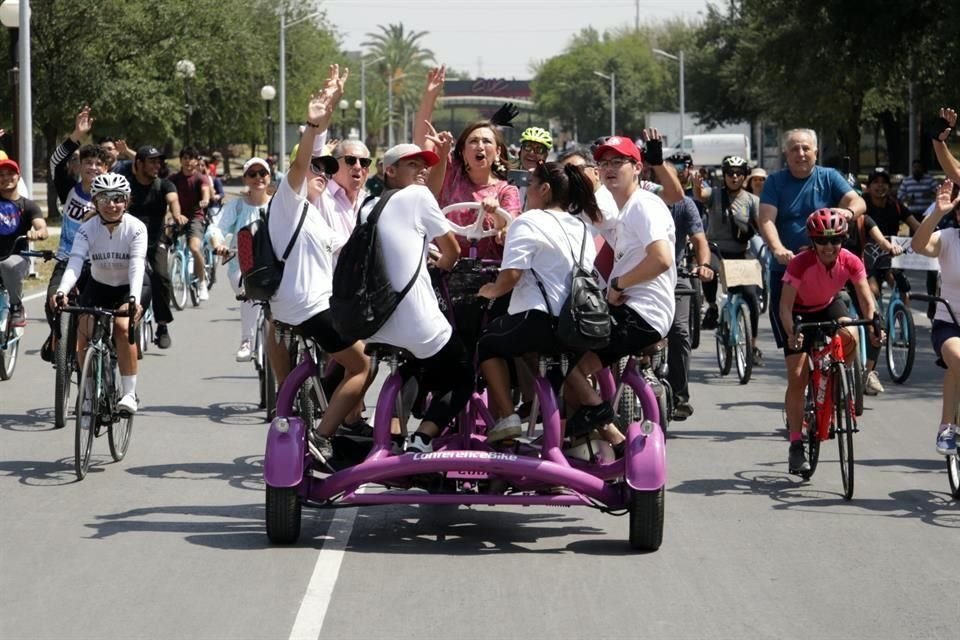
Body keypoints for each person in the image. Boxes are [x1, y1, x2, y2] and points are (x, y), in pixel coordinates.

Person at [269, 64, 372, 468]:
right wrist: (314, 124)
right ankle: (325, 436)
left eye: (327, 171)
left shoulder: (315, 216)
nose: (321, 175)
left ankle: (310, 408)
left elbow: (349, 247)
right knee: (363, 364)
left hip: (308, 307)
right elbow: (303, 161)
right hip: (308, 306)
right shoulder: (289, 202)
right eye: (317, 168)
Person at [564, 137, 676, 450]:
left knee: (566, 364)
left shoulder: (643, 205)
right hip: (635, 310)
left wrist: (617, 285)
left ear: (637, 167)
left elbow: (662, 258)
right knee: (572, 360)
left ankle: (604, 427)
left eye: (618, 162)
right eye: (604, 163)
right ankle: (587, 429)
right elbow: (597, 220)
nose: (610, 169)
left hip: (640, 313)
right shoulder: (625, 211)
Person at [476, 161, 601, 442]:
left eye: (529, 186)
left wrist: (490, 291)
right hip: (576, 325)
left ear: (544, 189)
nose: (525, 192)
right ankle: (563, 439)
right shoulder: (582, 227)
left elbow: (510, 275)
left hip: (539, 320)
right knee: (549, 364)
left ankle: (507, 416)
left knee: (487, 343)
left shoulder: (528, 221)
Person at [360, 142, 471, 453]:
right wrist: (443, 265)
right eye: (413, 165)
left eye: (425, 165)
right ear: (390, 171)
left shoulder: (368, 206)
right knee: (463, 373)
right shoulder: (419, 196)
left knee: (415, 366)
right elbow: (452, 251)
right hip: (416, 321)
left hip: (374, 322)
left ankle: (393, 434)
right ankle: (423, 437)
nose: (423, 170)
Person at [779, 209, 879, 474]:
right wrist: (793, 331)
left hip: (827, 304)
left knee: (851, 332)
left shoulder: (851, 260)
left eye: (835, 240)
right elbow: (785, 308)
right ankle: (796, 443)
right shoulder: (800, 262)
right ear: (813, 241)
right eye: (821, 241)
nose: (828, 246)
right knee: (798, 375)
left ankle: (837, 379)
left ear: (842, 240)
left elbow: (866, 298)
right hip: (798, 312)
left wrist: (873, 323)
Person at [757, 128, 866, 358]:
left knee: (848, 335)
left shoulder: (829, 176)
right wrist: (777, 249)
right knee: (798, 363)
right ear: (786, 154)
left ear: (815, 152)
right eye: (795, 148)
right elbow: (766, 219)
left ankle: (845, 382)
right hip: (787, 272)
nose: (801, 153)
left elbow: (858, 201)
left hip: (824, 272)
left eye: (806, 148)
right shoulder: (775, 182)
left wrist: (848, 212)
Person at [52, 173, 149, 415]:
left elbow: (137, 264)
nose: (112, 204)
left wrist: (133, 300)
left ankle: (128, 393)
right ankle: (87, 392)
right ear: (95, 202)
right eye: (105, 198)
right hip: (99, 285)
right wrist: (62, 290)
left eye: (118, 198)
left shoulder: (136, 228)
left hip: (130, 286)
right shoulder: (87, 229)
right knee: (83, 329)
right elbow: (75, 262)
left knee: (122, 328)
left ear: (126, 201)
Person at [414, 66, 522, 261]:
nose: (480, 146)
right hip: (443, 267)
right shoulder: (451, 173)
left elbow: (509, 231)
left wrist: (496, 213)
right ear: (462, 152)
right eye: (473, 141)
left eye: (486, 141)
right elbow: (423, 142)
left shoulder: (507, 191)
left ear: (497, 152)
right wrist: (430, 97)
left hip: (489, 275)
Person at [45, 107, 110, 354]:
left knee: (98, 312)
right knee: (53, 302)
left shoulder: (114, 198)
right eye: (88, 163)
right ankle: (60, 340)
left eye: (99, 164)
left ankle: (104, 350)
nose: (93, 167)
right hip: (67, 259)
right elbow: (55, 162)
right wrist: (76, 135)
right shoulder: (69, 190)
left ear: (106, 169)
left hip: (100, 263)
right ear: (79, 166)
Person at [209, 157, 277, 361]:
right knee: (249, 292)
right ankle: (247, 340)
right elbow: (216, 227)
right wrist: (218, 245)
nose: (258, 178)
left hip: (274, 263)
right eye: (253, 174)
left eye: (262, 173)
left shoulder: (278, 204)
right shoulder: (237, 206)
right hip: (243, 263)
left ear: (269, 176)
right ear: (246, 178)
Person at [119, 145, 185, 348]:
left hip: (157, 240)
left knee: (161, 276)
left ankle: (162, 325)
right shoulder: (126, 185)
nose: (157, 165)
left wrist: (176, 215)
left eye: (159, 162)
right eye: (152, 161)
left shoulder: (164, 185)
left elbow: (173, 201)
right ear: (138, 163)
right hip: (128, 240)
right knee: (120, 276)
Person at [911, 179, 960, 455]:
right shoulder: (948, 238)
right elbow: (919, 245)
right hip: (950, 323)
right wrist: (937, 213)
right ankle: (947, 427)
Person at [702, 155, 764, 364]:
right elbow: (701, 194)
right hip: (716, 250)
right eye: (730, 173)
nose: (734, 177)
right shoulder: (715, 195)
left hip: (740, 253)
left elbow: (763, 225)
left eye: (739, 173)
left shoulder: (752, 200)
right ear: (724, 175)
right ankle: (711, 306)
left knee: (751, 297)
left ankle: (752, 345)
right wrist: (694, 181)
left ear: (745, 176)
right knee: (707, 268)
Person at [667, 194, 711, 419]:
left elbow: (700, 239)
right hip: (636, 277)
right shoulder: (635, 197)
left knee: (679, 330)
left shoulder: (684, 204)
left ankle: (679, 396)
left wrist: (703, 265)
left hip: (675, 275)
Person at [0, 158, 47, 327]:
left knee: (8, 264)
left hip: (17, 258)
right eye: (1, 174)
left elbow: (42, 226)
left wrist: (38, 232)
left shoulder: (28, 206)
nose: (6, 177)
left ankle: (16, 306)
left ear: (18, 177)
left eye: (10, 174)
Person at [168, 146, 213, 301]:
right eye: (185, 158)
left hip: (195, 217)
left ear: (196, 161)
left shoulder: (201, 178)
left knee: (194, 247)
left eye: (191, 158)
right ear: (180, 160)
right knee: (165, 244)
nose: (188, 161)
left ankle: (202, 283)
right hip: (178, 216)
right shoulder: (173, 179)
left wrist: (205, 201)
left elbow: (206, 191)